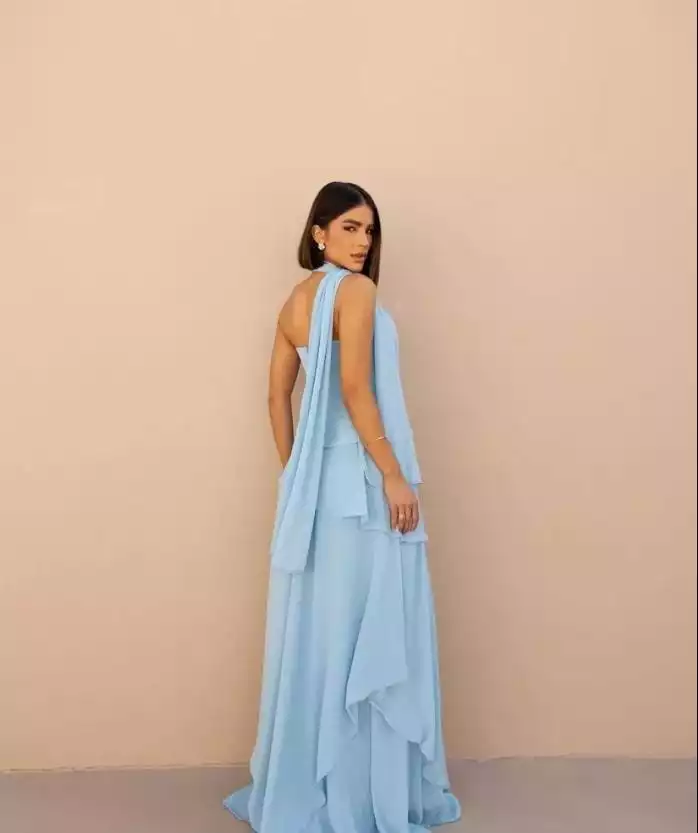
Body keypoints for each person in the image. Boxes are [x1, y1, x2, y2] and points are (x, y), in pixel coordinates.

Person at [222, 181, 461, 832]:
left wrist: (296, 471)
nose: (363, 242)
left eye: (370, 230)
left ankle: (317, 784)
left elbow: (276, 398)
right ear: (318, 231)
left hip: (318, 489)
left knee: (325, 628)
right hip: (361, 483)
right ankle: (359, 797)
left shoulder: (294, 303)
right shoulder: (355, 293)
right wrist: (394, 475)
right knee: (364, 625)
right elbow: (355, 388)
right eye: (350, 227)